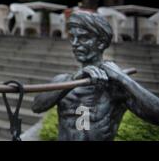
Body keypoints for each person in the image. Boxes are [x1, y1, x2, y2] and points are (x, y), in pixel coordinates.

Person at [32, 11, 159, 141]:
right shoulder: (63, 81)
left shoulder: (116, 88)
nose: (75, 43)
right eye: (73, 37)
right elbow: (36, 106)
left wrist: (123, 78)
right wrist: (73, 80)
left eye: (83, 38)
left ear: (101, 43)